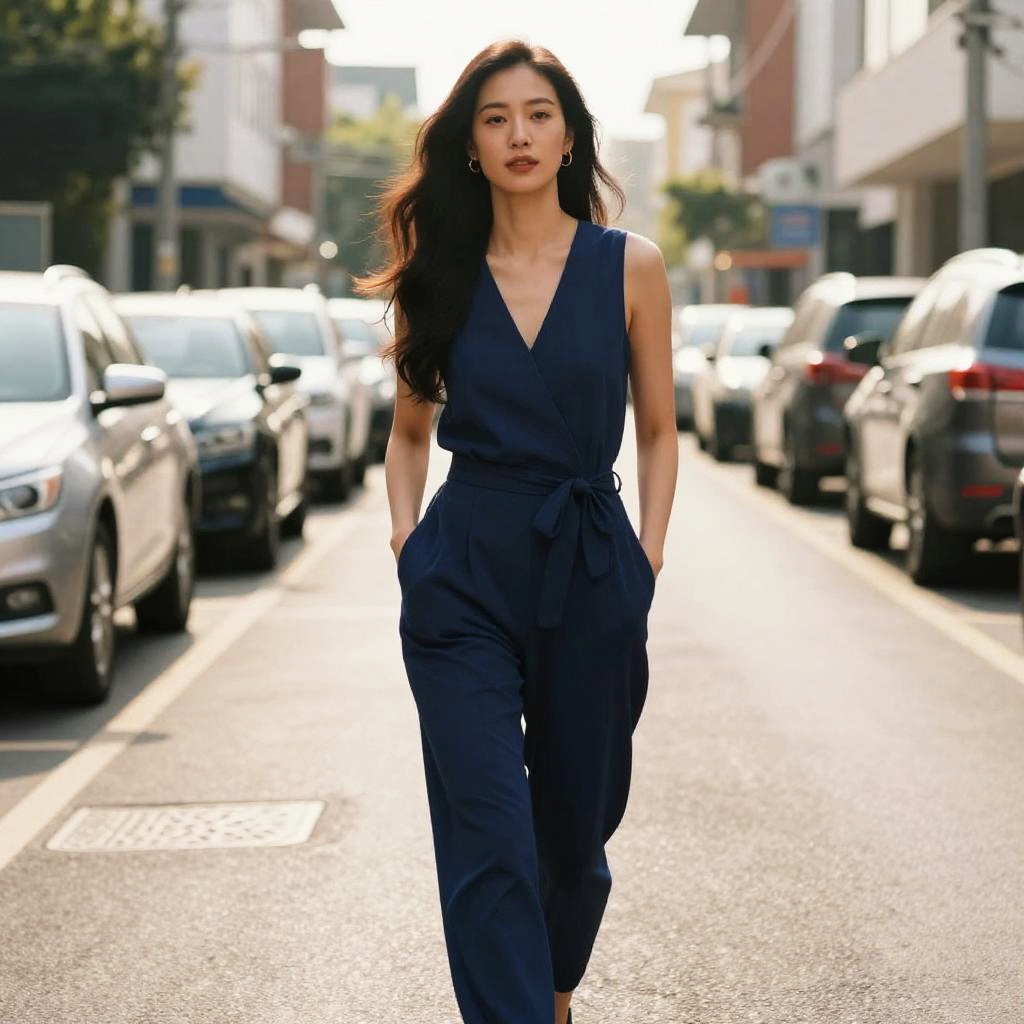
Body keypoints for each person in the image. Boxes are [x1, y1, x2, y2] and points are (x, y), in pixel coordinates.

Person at [356, 38, 678, 1024]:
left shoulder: (630, 267)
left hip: (587, 561)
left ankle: (552, 986)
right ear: (469, 146)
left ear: (571, 133)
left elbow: (661, 429)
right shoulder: (437, 276)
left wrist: (645, 561)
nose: (518, 135)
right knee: (488, 828)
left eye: (537, 114)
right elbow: (408, 437)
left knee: (573, 830)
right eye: (494, 118)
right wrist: (411, 546)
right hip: (464, 574)